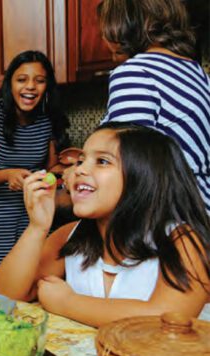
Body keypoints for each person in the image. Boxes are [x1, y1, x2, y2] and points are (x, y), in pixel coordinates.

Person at [0, 123, 210, 327]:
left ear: (144, 177)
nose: (79, 170)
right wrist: (37, 227)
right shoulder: (70, 235)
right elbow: (9, 294)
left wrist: (67, 303)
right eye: (81, 161)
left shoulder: (182, 241)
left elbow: (168, 318)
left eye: (102, 162)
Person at [0, 50, 71, 270]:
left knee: (23, 283)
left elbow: (50, 169)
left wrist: (72, 169)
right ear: (10, 84)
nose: (30, 87)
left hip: (28, 217)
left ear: (47, 87)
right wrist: (9, 174)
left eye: (40, 81)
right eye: (21, 80)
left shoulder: (48, 120)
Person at [98, 0, 210, 212]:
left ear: (121, 23)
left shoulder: (134, 72)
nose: (103, 37)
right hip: (200, 212)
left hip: (166, 215)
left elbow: (126, 167)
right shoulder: (197, 72)